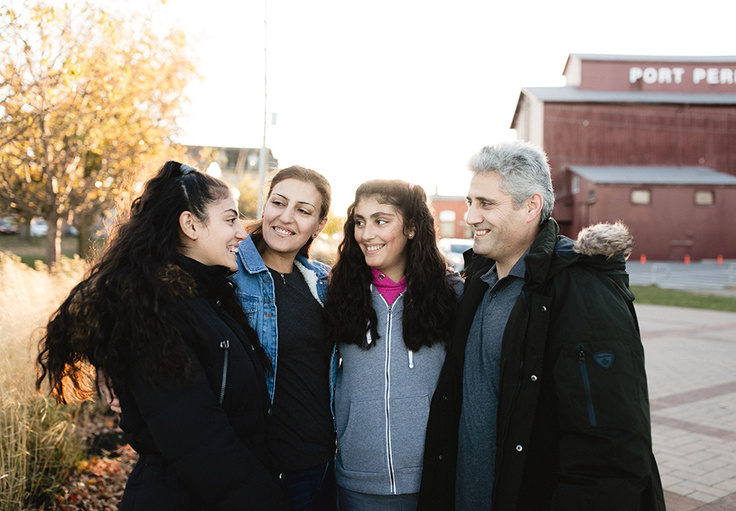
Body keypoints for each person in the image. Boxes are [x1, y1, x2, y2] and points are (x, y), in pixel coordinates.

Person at [418, 141, 666, 510]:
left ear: (531, 206)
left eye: (486, 204)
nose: (470, 217)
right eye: (471, 202)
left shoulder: (583, 290)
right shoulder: (478, 282)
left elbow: (611, 449)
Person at [36, 161, 290, 510]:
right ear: (190, 225)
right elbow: (199, 442)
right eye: (230, 219)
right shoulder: (157, 313)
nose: (241, 232)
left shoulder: (204, 297)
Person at [324, 180, 463, 511]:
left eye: (381, 221)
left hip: (432, 478)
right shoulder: (338, 294)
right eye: (360, 221)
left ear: (412, 228)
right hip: (358, 480)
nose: (366, 233)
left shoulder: (451, 296)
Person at [230, 165, 337, 511]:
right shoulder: (231, 273)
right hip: (261, 468)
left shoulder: (324, 283)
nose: (286, 218)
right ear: (265, 205)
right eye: (279, 202)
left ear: (319, 225)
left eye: (303, 211)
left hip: (322, 465)